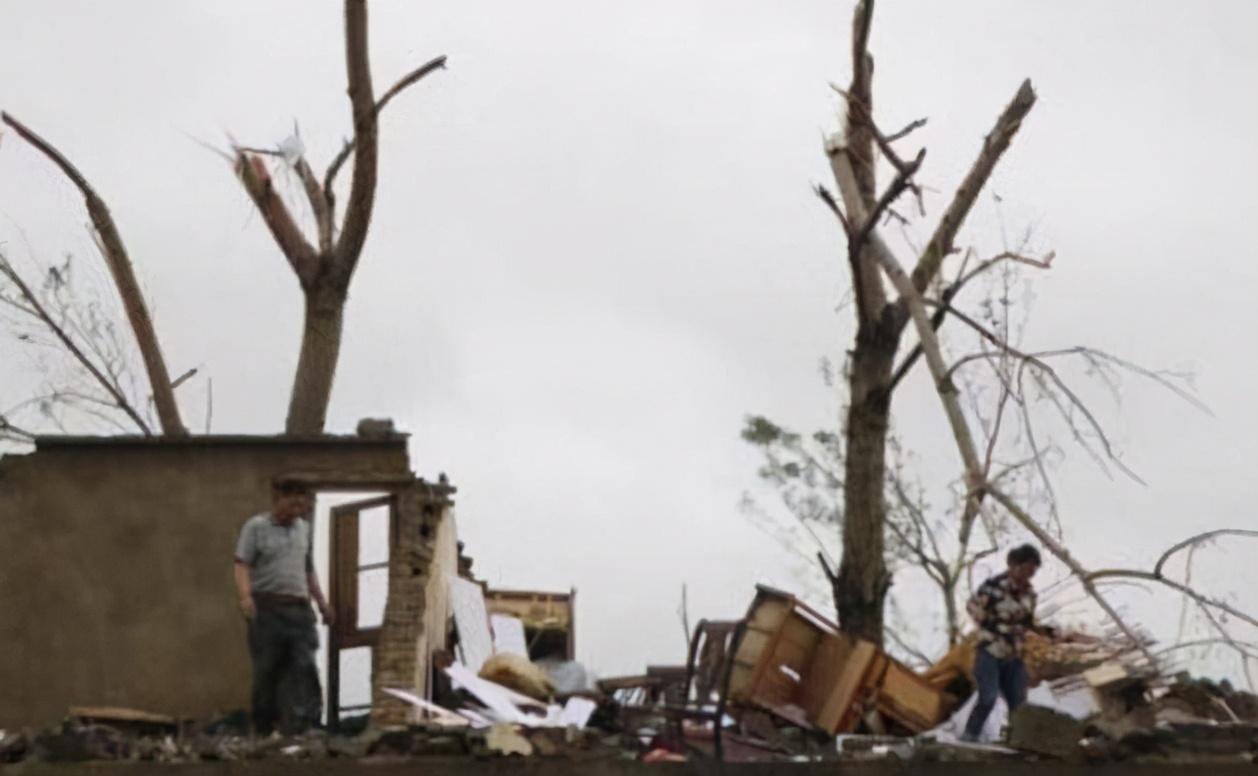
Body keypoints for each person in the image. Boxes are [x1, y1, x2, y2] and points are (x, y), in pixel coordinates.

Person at [233, 480, 334, 735]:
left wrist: (321, 603)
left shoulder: (303, 529)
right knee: (267, 668)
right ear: (278, 499)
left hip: (299, 610)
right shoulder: (256, 527)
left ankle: (307, 725)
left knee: (305, 665)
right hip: (267, 608)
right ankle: (264, 727)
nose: (298, 508)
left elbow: (308, 569)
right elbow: (242, 564)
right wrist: (245, 597)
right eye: (293, 502)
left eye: (302, 503)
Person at [961, 543, 1056, 742]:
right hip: (990, 650)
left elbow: (1027, 622)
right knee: (988, 697)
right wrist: (992, 623)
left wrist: (1043, 631)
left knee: (1019, 704)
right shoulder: (993, 586)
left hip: (1014, 655)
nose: (1029, 575)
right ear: (1014, 565)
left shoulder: (1030, 594)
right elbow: (972, 607)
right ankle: (969, 736)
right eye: (1026, 569)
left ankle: (1018, 743)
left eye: (1033, 571)